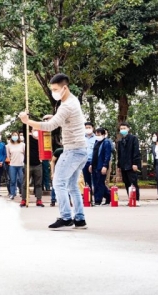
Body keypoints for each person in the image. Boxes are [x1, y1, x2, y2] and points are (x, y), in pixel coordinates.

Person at [19, 73, 88, 229]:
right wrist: (55, 116)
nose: (53, 92)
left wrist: (27, 121)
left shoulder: (67, 106)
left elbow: (49, 127)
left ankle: (65, 218)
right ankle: (80, 219)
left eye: (55, 89)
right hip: (80, 149)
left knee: (58, 182)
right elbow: (64, 118)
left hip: (73, 150)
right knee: (71, 186)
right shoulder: (73, 100)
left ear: (65, 88)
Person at [117, 122, 141, 203]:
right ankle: (130, 198)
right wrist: (119, 165)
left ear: (128, 129)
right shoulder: (120, 141)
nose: (122, 130)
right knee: (126, 182)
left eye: (124, 128)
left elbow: (136, 152)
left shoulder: (133, 138)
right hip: (123, 165)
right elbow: (119, 154)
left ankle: (136, 199)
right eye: (121, 129)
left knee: (133, 182)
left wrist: (135, 163)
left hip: (131, 164)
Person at [20, 126, 44, 207]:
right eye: (34, 130)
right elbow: (24, 128)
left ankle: (39, 200)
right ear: (31, 131)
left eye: (37, 130)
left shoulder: (42, 139)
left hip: (38, 164)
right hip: (28, 164)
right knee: (25, 183)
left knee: (38, 183)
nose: (36, 131)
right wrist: (25, 119)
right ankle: (24, 199)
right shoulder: (28, 138)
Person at [89, 128, 112, 205]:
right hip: (95, 165)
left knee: (100, 183)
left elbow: (107, 155)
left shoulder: (106, 142)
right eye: (96, 134)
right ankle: (109, 196)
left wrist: (105, 166)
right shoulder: (96, 142)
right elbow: (94, 155)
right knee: (96, 183)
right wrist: (91, 165)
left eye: (99, 134)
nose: (97, 135)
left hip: (101, 166)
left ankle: (97, 200)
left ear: (103, 134)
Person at [6, 131, 25, 200]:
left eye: (16, 135)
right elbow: (8, 155)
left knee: (22, 180)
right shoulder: (8, 145)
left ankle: (24, 194)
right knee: (12, 181)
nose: (15, 136)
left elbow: (25, 154)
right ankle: (12, 194)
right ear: (11, 137)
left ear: (18, 136)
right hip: (12, 165)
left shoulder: (22, 145)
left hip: (21, 165)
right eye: (13, 135)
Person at [83, 122, 96, 204]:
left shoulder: (96, 138)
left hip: (94, 162)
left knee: (95, 181)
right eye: (86, 127)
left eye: (89, 127)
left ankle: (97, 199)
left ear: (93, 128)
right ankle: (88, 198)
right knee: (86, 181)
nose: (88, 129)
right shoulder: (81, 138)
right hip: (84, 162)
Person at [151, 132, 158, 200]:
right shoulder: (153, 145)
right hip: (157, 162)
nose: (153, 137)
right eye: (152, 136)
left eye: (154, 136)